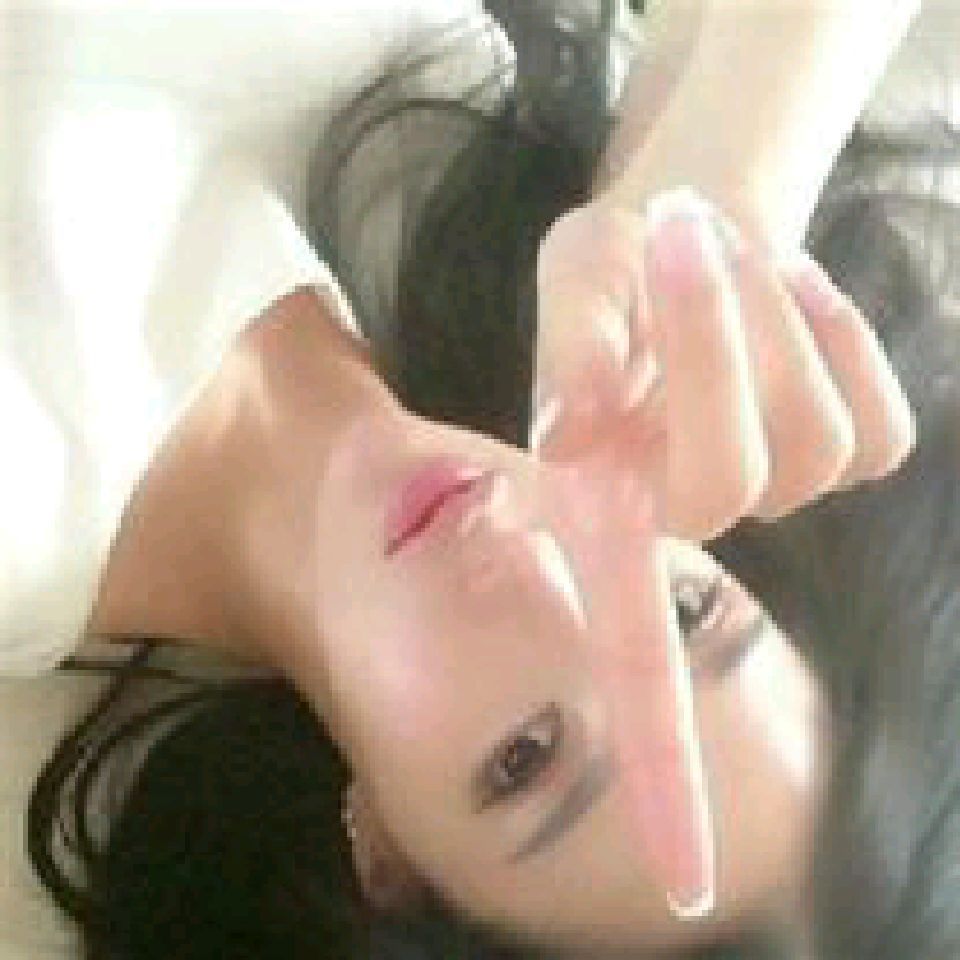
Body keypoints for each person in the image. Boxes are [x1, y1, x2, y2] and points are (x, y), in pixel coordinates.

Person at [2, 0, 945, 957]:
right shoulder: (460, 204)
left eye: (525, 758)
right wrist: (730, 184)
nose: (537, 566)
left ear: (389, 859)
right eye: (684, 614)